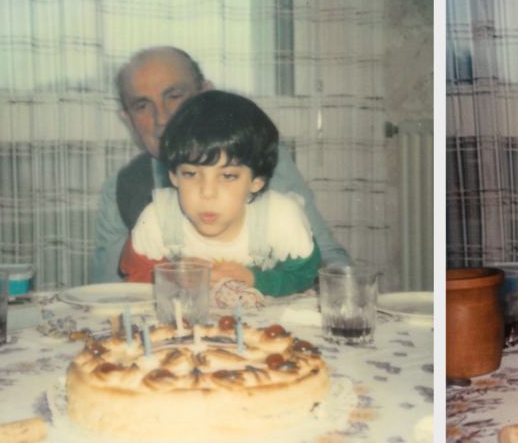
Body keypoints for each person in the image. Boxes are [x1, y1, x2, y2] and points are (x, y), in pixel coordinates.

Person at [91, 46, 351, 284]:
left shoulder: (252, 159)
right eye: (142, 105)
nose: (163, 118)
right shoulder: (121, 188)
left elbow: (325, 257)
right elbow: (110, 289)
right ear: (128, 118)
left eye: (174, 96)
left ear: (207, 94)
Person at [120, 90, 321, 296]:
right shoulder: (158, 219)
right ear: (173, 175)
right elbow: (134, 276)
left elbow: (305, 276)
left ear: (257, 181)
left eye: (228, 176)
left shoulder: (280, 218)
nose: (207, 193)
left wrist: (256, 279)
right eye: (191, 173)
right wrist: (171, 277)